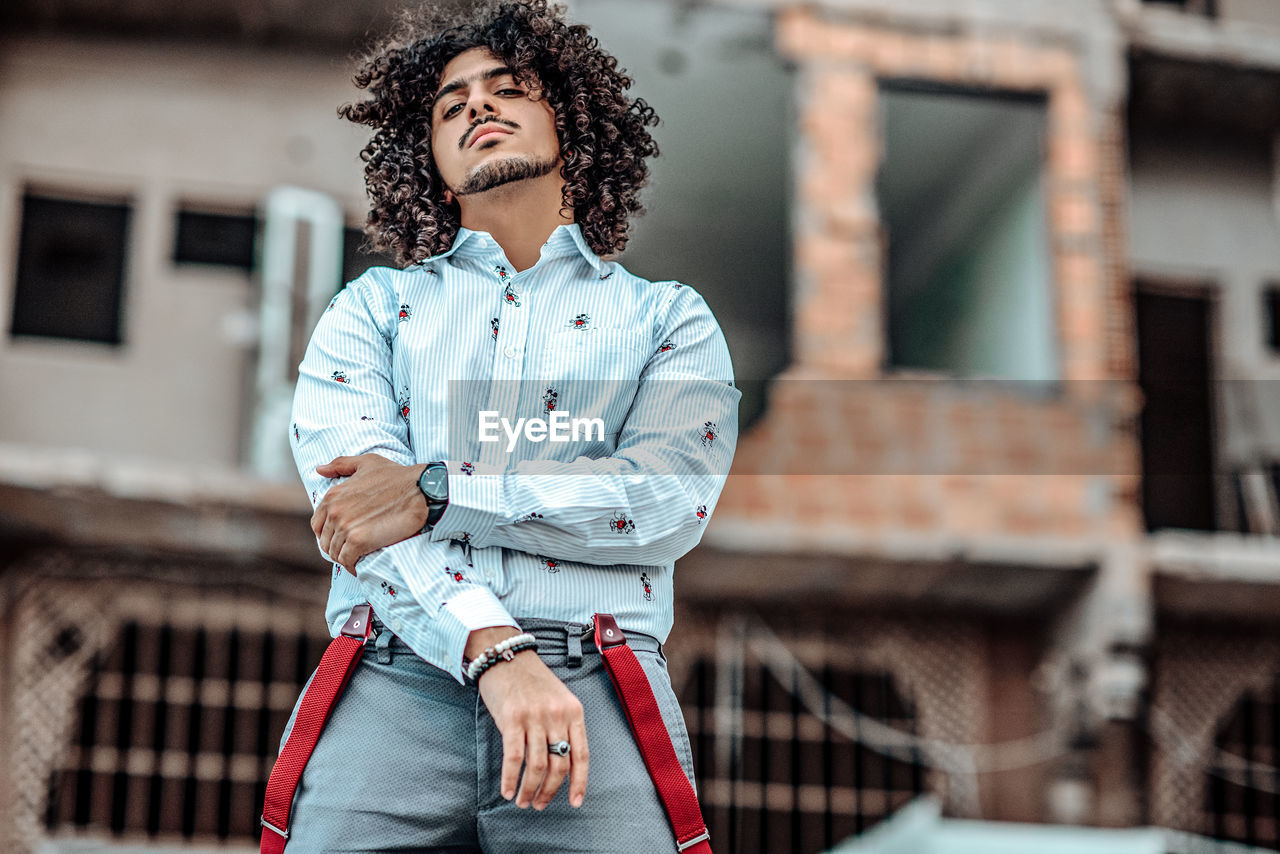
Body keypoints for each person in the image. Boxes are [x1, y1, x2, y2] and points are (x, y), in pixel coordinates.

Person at [273, 1, 739, 851]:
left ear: (572, 117)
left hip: (600, 683)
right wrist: (493, 648)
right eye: (451, 106)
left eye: (507, 88)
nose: (476, 107)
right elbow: (361, 515)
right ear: (433, 165)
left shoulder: (670, 320)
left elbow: (666, 503)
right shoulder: (371, 310)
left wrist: (440, 491)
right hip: (394, 675)